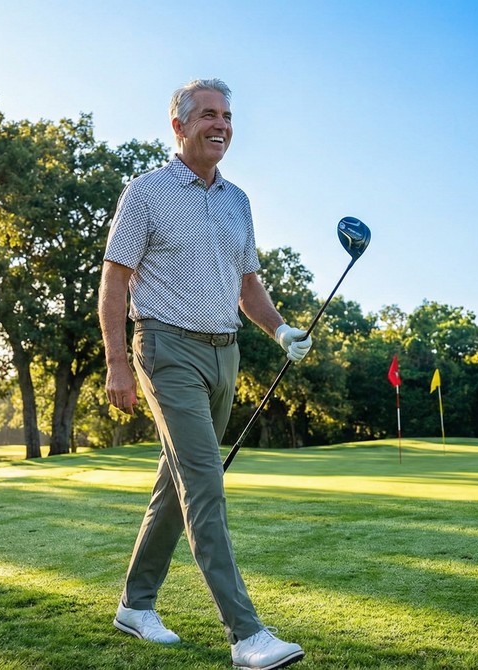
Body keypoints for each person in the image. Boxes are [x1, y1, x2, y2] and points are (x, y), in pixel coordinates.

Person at [98, 78, 312, 670]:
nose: (221, 125)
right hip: (166, 349)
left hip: (226, 353)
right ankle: (246, 635)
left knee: (180, 482)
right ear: (180, 126)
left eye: (228, 116)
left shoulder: (238, 200)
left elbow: (248, 286)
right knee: (205, 485)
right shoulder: (145, 193)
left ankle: (135, 605)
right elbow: (115, 280)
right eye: (209, 116)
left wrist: (281, 331)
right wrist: (118, 360)